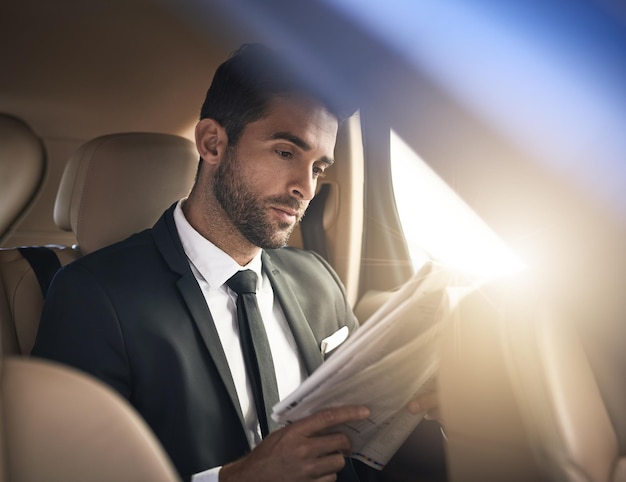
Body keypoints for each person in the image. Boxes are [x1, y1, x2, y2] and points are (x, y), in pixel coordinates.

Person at [32, 43, 439, 481]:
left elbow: (363, 437)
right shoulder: (93, 296)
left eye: (318, 168)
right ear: (212, 143)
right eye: (286, 152)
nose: (305, 187)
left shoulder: (319, 280)